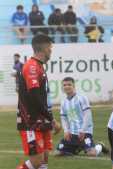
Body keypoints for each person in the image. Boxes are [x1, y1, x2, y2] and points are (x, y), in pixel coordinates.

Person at [16, 34, 60, 169]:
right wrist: (52, 119)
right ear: (44, 47)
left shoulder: (39, 66)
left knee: (44, 160)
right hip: (31, 122)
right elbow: (35, 97)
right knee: (36, 162)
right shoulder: (32, 66)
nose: (51, 50)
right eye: (50, 47)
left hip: (41, 120)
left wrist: (48, 119)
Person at [55, 77, 109, 156]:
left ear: (74, 86)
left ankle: (100, 146)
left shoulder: (82, 98)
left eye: (69, 84)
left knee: (92, 154)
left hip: (84, 132)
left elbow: (88, 115)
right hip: (72, 134)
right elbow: (64, 118)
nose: (66, 87)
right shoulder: (63, 102)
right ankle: (77, 148)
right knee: (58, 153)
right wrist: (66, 131)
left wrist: (83, 130)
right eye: (64, 85)